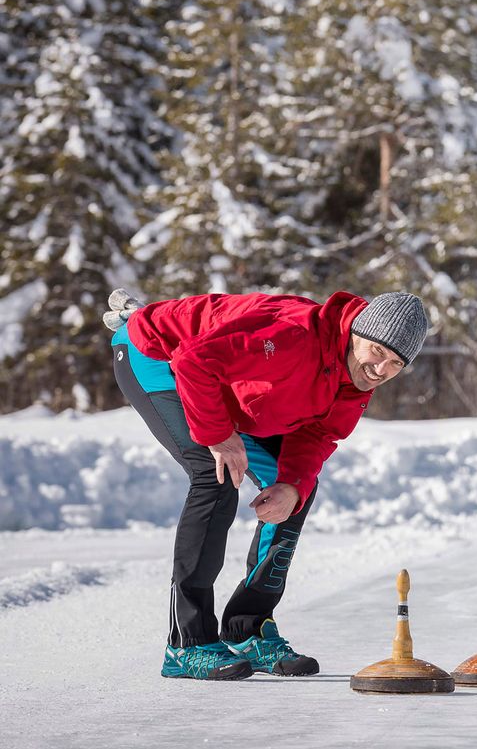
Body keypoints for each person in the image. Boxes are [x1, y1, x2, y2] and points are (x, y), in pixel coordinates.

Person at [104, 288, 427, 680]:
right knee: (215, 476)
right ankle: (187, 643)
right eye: (377, 351)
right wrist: (219, 436)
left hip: (216, 381)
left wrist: (291, 485)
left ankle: (247, 627)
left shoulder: (354, 380)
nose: (380, 369)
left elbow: (318, 435)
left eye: (395, 363)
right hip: (156, 354)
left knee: (295, 492)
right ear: (357, 332)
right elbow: (193, 361)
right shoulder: (294, 337)